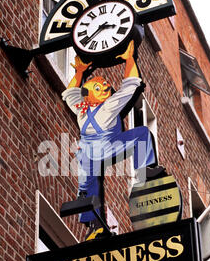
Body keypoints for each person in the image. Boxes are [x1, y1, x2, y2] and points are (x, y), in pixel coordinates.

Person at [62, 40, 160, 240]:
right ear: (90, 95)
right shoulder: (108, 106)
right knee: (141, 135)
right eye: (99, 87)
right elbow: (130, 86)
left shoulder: (81, 109)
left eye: (104, 84)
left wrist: (79, 72)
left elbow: (71, 93)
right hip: (106, 148)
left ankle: (93, 223)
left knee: (90, 187)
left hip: (88, 155)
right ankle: (146, 173)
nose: (105, 87)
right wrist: (130, 59)